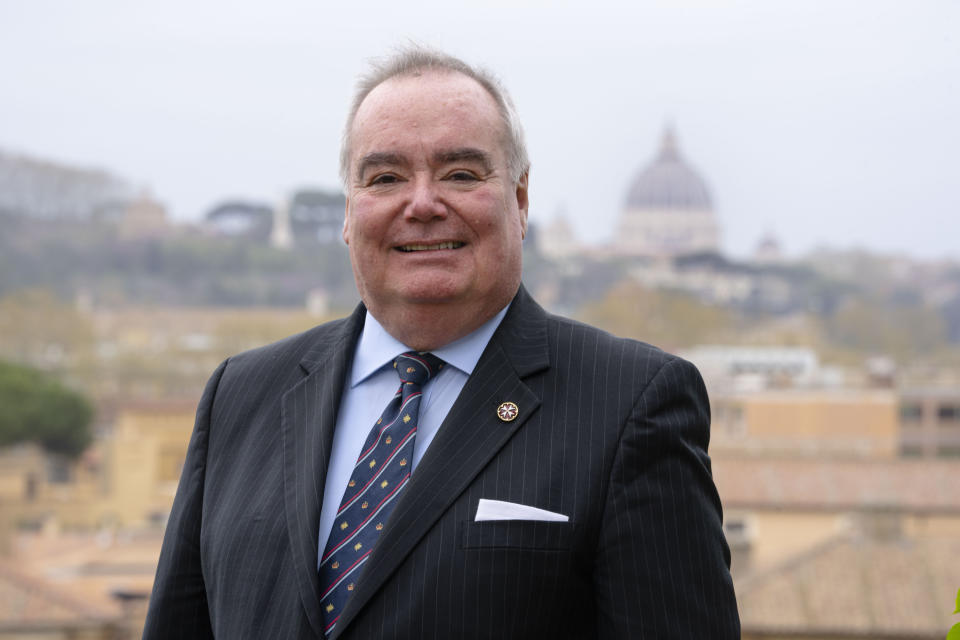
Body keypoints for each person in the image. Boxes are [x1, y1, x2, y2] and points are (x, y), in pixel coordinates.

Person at [143, 46, 739, 639]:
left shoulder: (631, 404)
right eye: (385, 178)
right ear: (350, 211)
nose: (423, 204)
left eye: (460, 174)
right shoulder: (238, 395)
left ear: (521, 199)